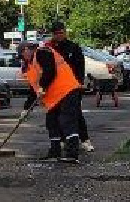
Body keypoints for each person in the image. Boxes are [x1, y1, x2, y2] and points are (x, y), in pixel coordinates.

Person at [27, 22, 86, 162]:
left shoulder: (43, 52)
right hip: (57, 94)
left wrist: (42, 86)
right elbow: (33, 86)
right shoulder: (34, 61)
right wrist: (26, 107)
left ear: (27, 50)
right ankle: (55, 152)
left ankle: (72, 154)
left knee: (67, 121)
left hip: (68, 89)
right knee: (52, 121)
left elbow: (50, 71)